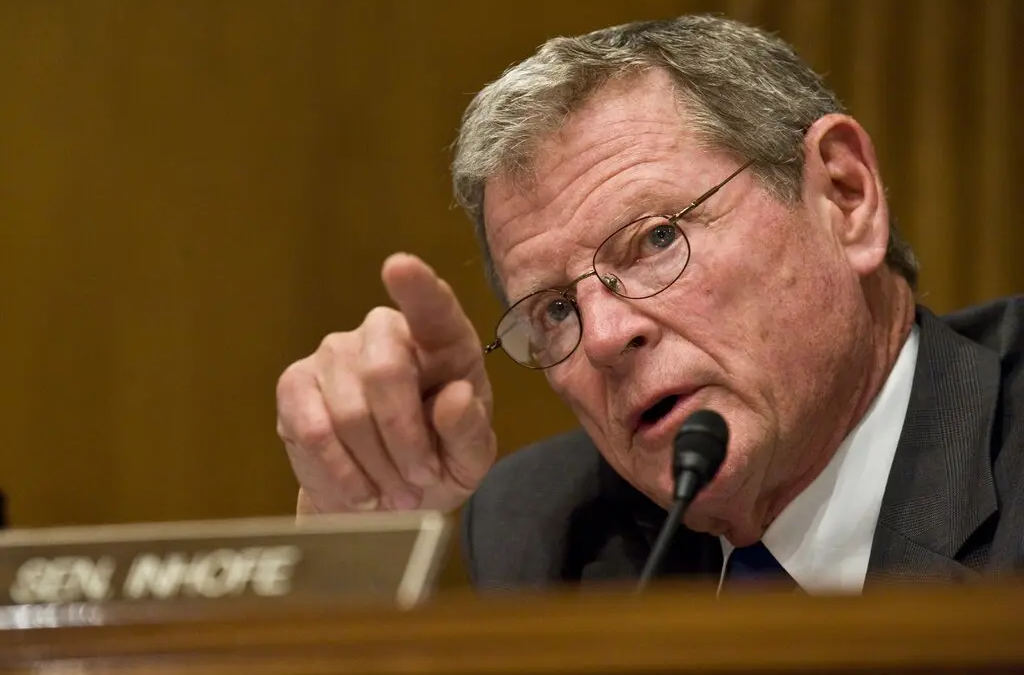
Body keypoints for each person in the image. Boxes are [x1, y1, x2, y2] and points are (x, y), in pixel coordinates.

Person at [275, 15, 1024, 593]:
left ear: (844, 196)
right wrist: (355, 542)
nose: (603, 335)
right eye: (555, 310)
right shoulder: (539, 534)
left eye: (657, 238)